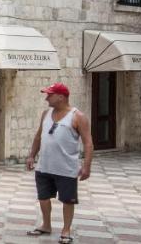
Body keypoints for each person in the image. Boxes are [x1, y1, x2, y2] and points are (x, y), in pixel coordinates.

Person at [26, 82, 93, 244]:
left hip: (66, 168)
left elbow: (88, 143)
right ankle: (46, 225)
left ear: (61, 97)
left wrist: (86, 166)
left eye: (50, 95)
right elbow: (38, 136)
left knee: (67, 200)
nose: (46, 98)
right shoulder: (46, 114)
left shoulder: (78, 117)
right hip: (44, 165)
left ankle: (66, 230)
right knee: (43, 197)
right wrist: (31, 156)